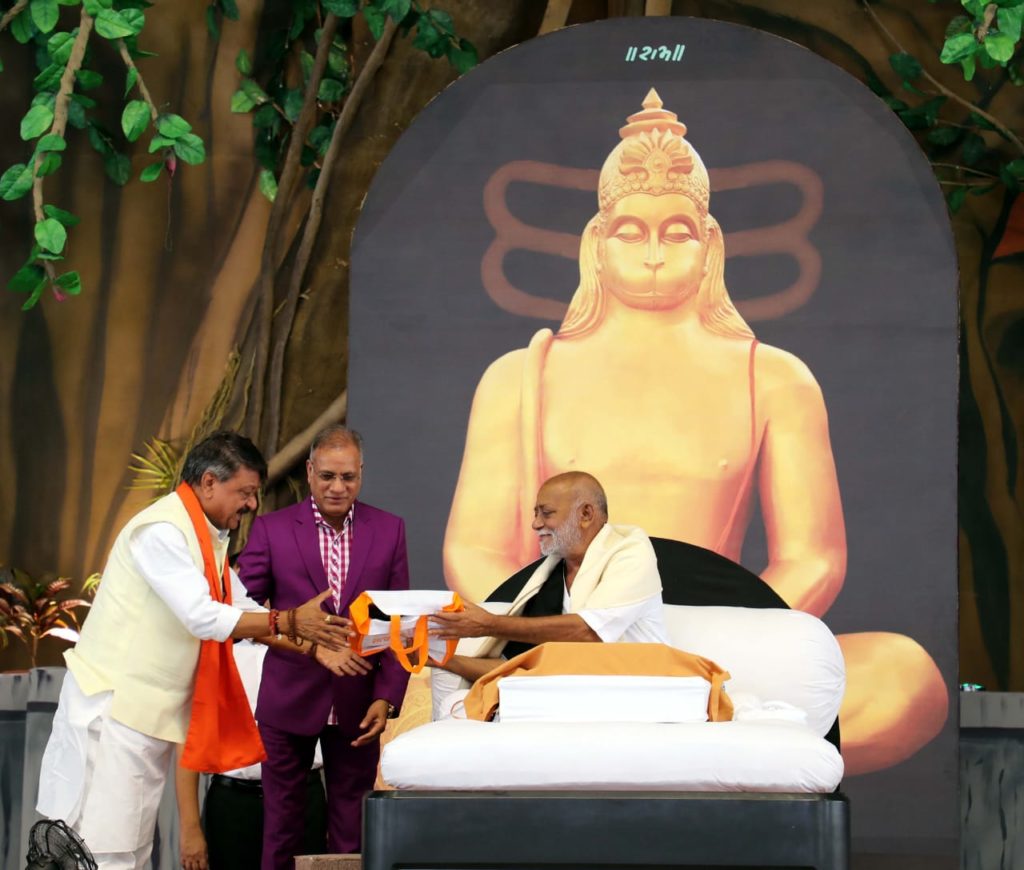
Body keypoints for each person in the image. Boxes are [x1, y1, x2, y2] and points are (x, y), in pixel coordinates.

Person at [442, 89, 947, 773]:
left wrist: (690, 638)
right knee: (425, 665)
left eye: (676, 233)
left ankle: (645, 724)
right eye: (630, 233)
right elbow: (474, 550)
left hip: (711, 635)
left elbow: (814, 558)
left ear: (709, 245)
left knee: (905, 676)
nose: (654, 253)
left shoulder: (773, 377)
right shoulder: (521, 375)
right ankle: (693, 738)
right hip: (566, 638)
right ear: (596, 245)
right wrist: (571, 632)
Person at [36, 431, 349, 870]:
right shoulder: (162, 530)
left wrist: (314, 649)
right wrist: (289, 621)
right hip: (113, 714)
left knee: (132, 852)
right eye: (245, 492)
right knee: (105, 854)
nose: (251, 504)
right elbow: (202, 616)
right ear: (208, 482)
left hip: (143, 719)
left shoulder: (205, 539)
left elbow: (244, 610)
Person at [237, 425, 410, 867]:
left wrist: (387, 698)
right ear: (310, 471)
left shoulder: (389, 530)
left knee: (353, 832)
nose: (338, 487)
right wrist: (303, 638)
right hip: (287, 699)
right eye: (328, 476)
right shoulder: (272, 529)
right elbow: (242, 614)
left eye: (348, 477)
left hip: (359, 701)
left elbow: (399, 622)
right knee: (281, 828)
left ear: (361, 473)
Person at [431, 471, 667, 683]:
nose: (535, 524)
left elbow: (590, 633)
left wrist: (488, 625)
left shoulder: (631, 552)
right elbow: (517, 668)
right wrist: (438, 659)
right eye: (536, 513)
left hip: (638, 689)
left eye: (546, 513)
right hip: (569, 694)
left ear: (585, 514)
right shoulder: (550, 575)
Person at [175, 641, 327, 870]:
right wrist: (190, 828)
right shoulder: (213, 650)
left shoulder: (312, 645)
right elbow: (188, 737)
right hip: (233, 804)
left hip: (302, 797)